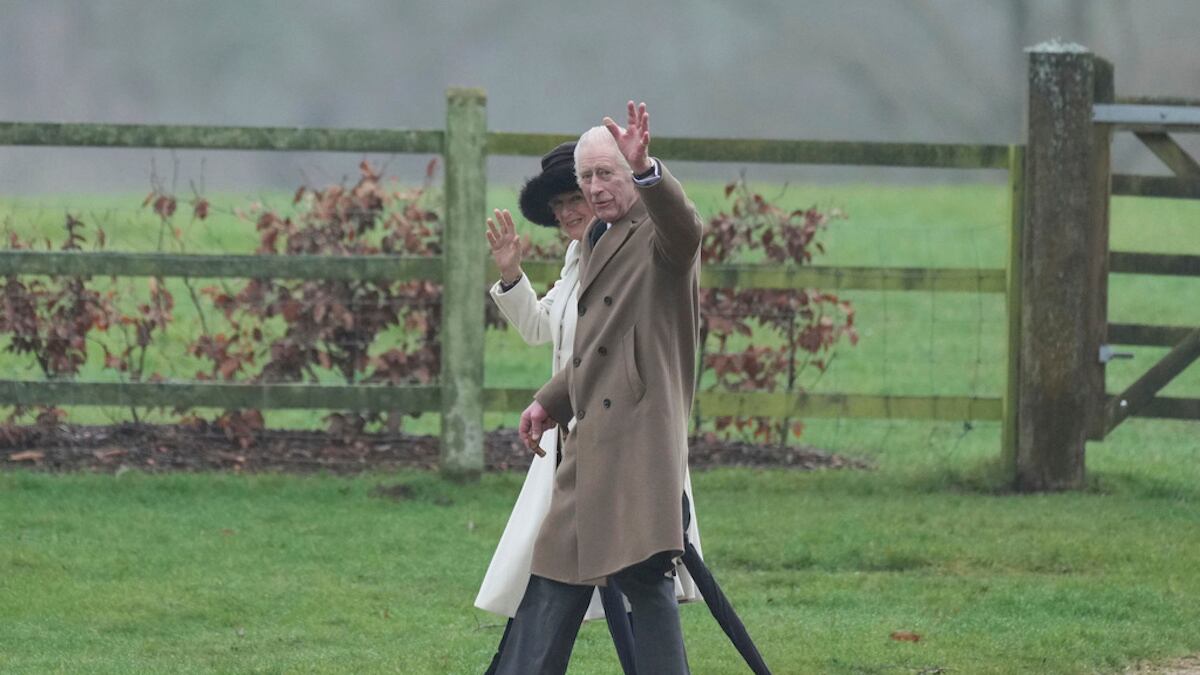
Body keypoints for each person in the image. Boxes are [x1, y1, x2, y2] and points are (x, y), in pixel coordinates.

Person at [476, 141, 703, 674]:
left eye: (604, 175)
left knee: (643, 581)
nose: (587, 196)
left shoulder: (659, 234)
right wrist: (549, 401)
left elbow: (685, 228)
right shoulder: (591, 246)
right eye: (585, 180)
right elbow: (592, 344)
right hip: (579, 442)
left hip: (639, 444)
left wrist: (650, 173)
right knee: (554, 575)